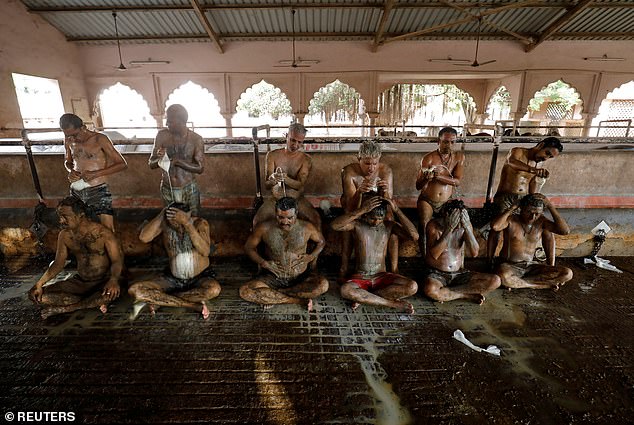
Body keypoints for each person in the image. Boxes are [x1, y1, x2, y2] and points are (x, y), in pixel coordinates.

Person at [29, 197, 123, 319]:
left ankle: (68, 307)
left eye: (65, 216)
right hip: (80, 282)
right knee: (34, 294)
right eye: (59, 216)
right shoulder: (64, 235)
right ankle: (87, 302)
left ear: (80, 215)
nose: (61, 220)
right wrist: (39, 283)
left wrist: (114, 280)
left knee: (110, 294)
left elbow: (117, 261)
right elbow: (58, 263)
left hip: (103, 281)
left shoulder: (103, 233)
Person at [128, 203, 220, 319]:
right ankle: (192, 305)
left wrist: (187, 224)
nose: (177, 224)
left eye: (180, 219)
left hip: (199, 278)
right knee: (135, 290)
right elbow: (144, 238)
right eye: (174, 220)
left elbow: (205, 251)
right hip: (172, 278)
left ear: (188, 215)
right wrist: (162, 214)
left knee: (213, 290)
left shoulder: (200, 223)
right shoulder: (165, 223)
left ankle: (162, 299)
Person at [331, 194, 418, 313]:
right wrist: (361, 210)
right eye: (372, 218)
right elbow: (335, 225)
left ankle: (365, 298)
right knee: (345, 290)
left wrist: (396, 210)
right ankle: (391, 304)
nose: (376, 221)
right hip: (361, 277)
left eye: (380, 218)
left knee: (412, 286)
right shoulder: (357, 225)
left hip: (381, 276)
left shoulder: (389, 226)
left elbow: (414, 236)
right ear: (365, 215)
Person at [240, 197, 328, 311]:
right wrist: (263, 263)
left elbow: (321, 242)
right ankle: (296, 300)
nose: (285, 221)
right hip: (273, 277)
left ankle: (274, 296)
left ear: (296, 213)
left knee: (323, 285)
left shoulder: (307, 227)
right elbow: (248, 247)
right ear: (275, 213)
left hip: (300, 278)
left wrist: (310, 257)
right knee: (245, 291)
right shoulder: (264, 228)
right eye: (280, 217)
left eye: (290, 218)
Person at [487, 137, 564, 262]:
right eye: (547, 153)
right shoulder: (518, 152)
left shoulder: (538, 163)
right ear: (541, 145)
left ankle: (550, 264)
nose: (546, 158)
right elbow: (511, 161)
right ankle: (489, 260)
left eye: (550, 157)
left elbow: (532, 182)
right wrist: (533, 170)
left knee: (543, 226)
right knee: (496, 228)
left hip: (524, 200)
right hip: (505, 197)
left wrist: (534, 199)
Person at [340, 141, 398, 281]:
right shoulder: (349, 172)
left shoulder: (386, 171)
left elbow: (388, 204)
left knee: (391, 221)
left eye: (374, 163)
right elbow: (350, 207)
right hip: (356, 206)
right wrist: (359, 192)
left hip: (377, 206)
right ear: (359, 159)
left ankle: (395, 268)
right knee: (348, 223)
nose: (371, 168)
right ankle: (344, 267)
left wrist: (383, 192)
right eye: (367, 163)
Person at [423, 200, 500, 304]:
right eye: (456, 219)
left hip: (459, 273)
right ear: (446, 215)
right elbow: (435, 254)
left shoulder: (464, 227)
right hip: (437, 274)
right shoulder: (433, 226)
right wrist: (449, 229)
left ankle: (449, 294)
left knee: (495, 281)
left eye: (461, 219)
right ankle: (464, 295)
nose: (458, 223)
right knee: (430, 290)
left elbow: (475, 253)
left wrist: (467, 228)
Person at [60, 113, 128, 231]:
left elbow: (122, 164)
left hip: (98, 190)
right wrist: (71, 171)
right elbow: (68, 161)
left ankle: (112, 249)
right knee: (79, 228)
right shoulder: (68, 140)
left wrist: (96, 174)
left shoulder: (99, 139)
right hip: (76, 191)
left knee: (107, 229)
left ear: (83, 127)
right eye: (67, 135)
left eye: (74, 134)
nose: (72, 138)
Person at [491, 194, 573, 290]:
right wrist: (512, 208)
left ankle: (518, 283)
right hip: (510, 266)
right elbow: (495, 226)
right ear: (521, 209)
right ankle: (539, 285)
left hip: (532, 266)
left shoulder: (541, 221)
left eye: (537, 214)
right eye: (528, 212)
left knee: (567, 273)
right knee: (503, 275)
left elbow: (565, 231)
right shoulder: (511, 220)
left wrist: (550, 206)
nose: (532, 217)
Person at [252, 123, 321, 228]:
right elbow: (267, 185)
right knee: (257, 221)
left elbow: (299, 185)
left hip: (297, 199)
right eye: (292, 140)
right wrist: (273, 179)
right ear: (286, 136)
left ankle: (317, 244)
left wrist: (286, 179)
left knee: (316, 220)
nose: (295, 145)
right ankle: (262, 244)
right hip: (276, 199)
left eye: (299, 142)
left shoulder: (306, 159)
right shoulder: (272, 155)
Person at [416, 127, 465, 256]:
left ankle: (453, 259)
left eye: (452, 142)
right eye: (445, 142)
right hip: (427, 200)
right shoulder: (428, 158)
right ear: (439, 141)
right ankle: (425, 258)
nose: (449, 145)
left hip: (446, 201)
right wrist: (427, 178)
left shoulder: (459, 158)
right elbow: (418, 186)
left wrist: (439, 177)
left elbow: (457, 181)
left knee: (457, 224)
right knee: (424, 226)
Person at [149, 104, 204, 215]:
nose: (166, 124)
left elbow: (200, 168)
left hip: (188, 188)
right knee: (170, 223)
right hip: (167, 188)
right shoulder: (162, 136)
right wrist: (160, 158)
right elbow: (151, 163)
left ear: (180, 122)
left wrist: (178, 162)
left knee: (193, 221)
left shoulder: (195, 139)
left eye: (169, 121)